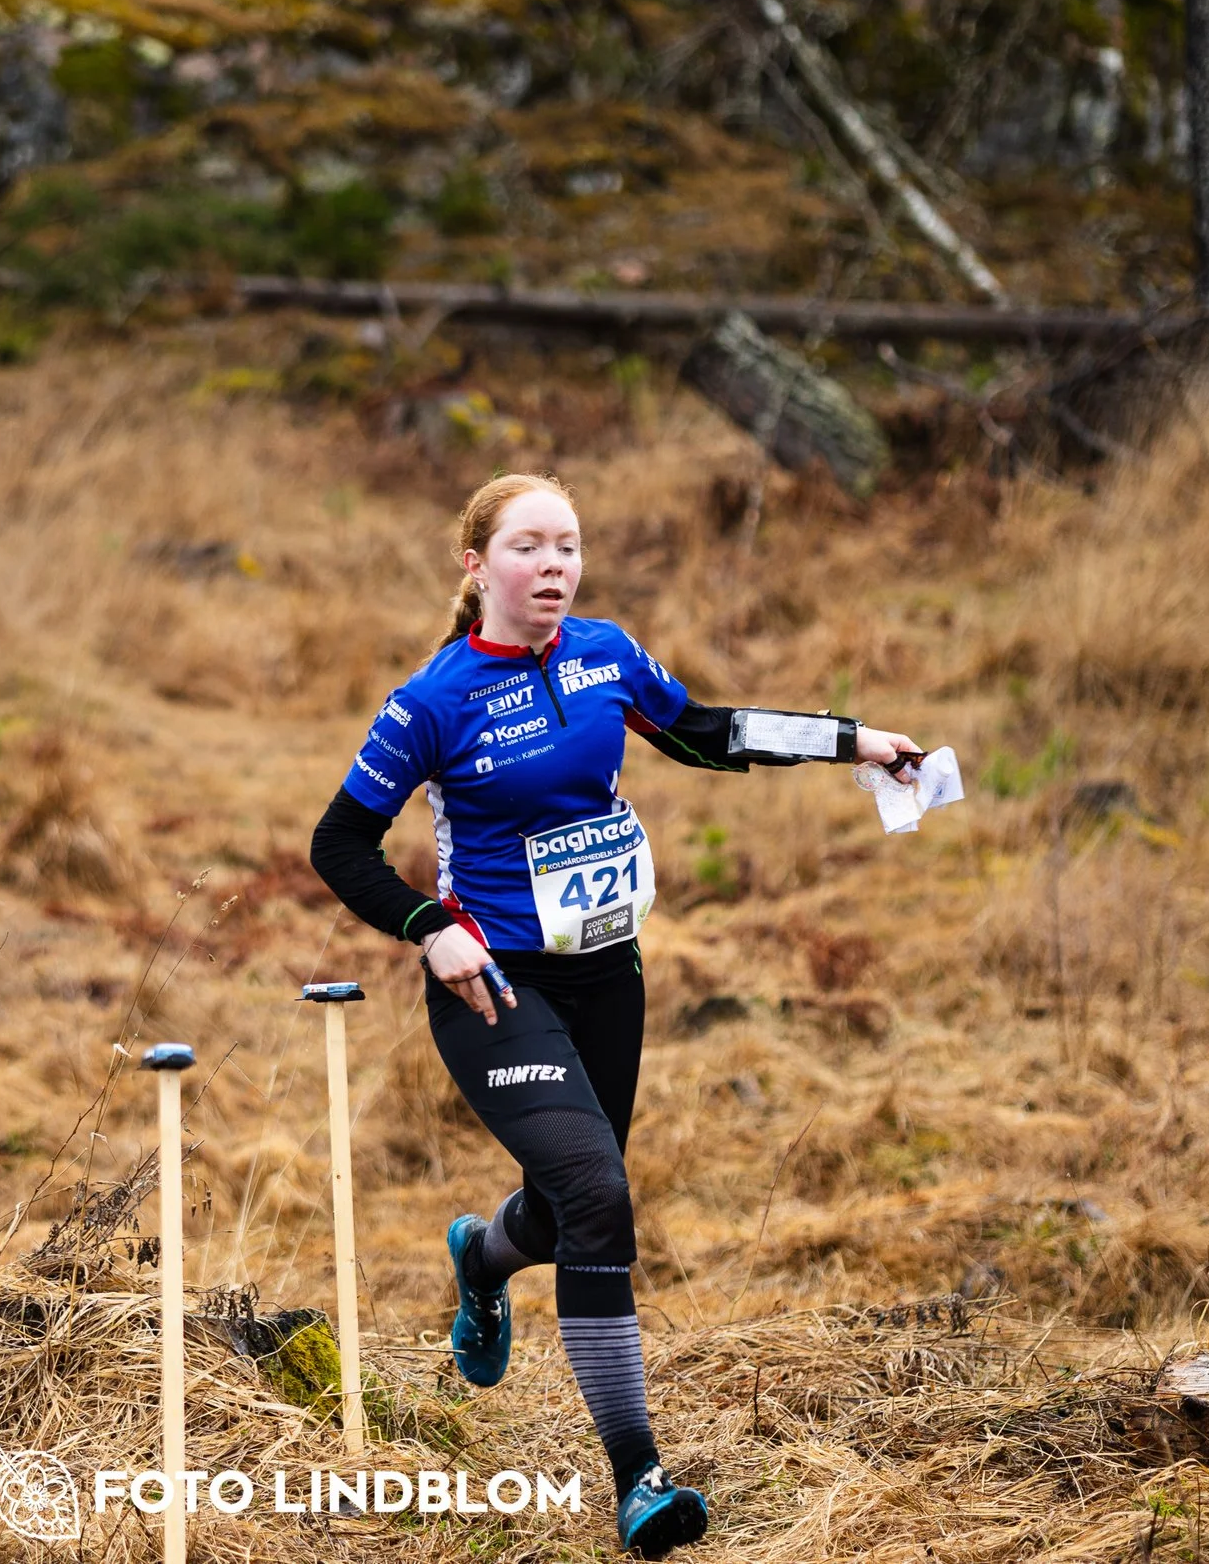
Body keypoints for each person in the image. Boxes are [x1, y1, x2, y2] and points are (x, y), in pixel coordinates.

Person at [308, 472, 923, 1559]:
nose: (553, 566)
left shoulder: (604, 654)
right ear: (475, 565)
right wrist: (426, 924)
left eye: (568, 547)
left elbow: (702, 733)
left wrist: (851, 739)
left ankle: (483, 1258)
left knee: (569, 1209)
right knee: (598, 1190)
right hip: (492, 985)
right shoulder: (432, 701)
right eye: (528, 547)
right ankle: (639, 1475)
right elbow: (337, 843)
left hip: (608, 977)